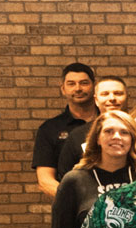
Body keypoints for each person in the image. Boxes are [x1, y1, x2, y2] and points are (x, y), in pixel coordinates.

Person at [33, 62, 100, 197]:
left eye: (84, 83)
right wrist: (74, 201)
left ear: (94, 87)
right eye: (71, 84)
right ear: (63, 89)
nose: (78, 88)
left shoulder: (112, 123)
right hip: (72, 210)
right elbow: (45, 180)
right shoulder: (49, 129)